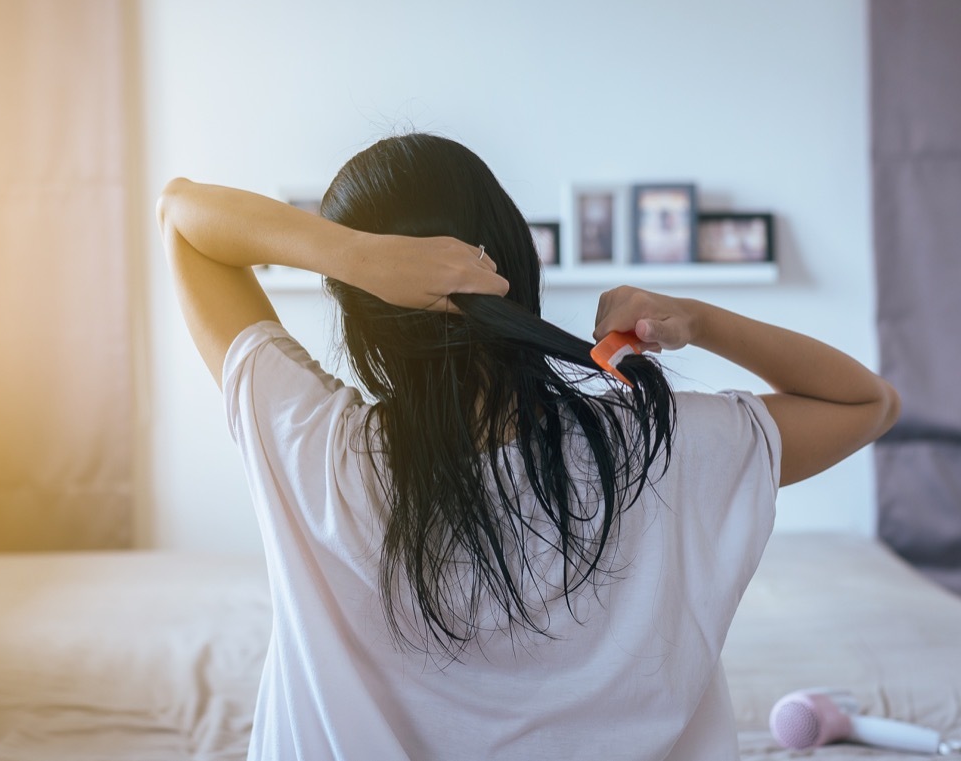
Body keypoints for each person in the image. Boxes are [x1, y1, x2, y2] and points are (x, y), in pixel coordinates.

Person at [156, 133, 899, 760]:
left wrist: (356, 256)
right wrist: (695, 320)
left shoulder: (313, 448)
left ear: (360, 314)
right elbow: (869, 403)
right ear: (518, 260)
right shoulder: (651, 449)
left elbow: (182, 214)